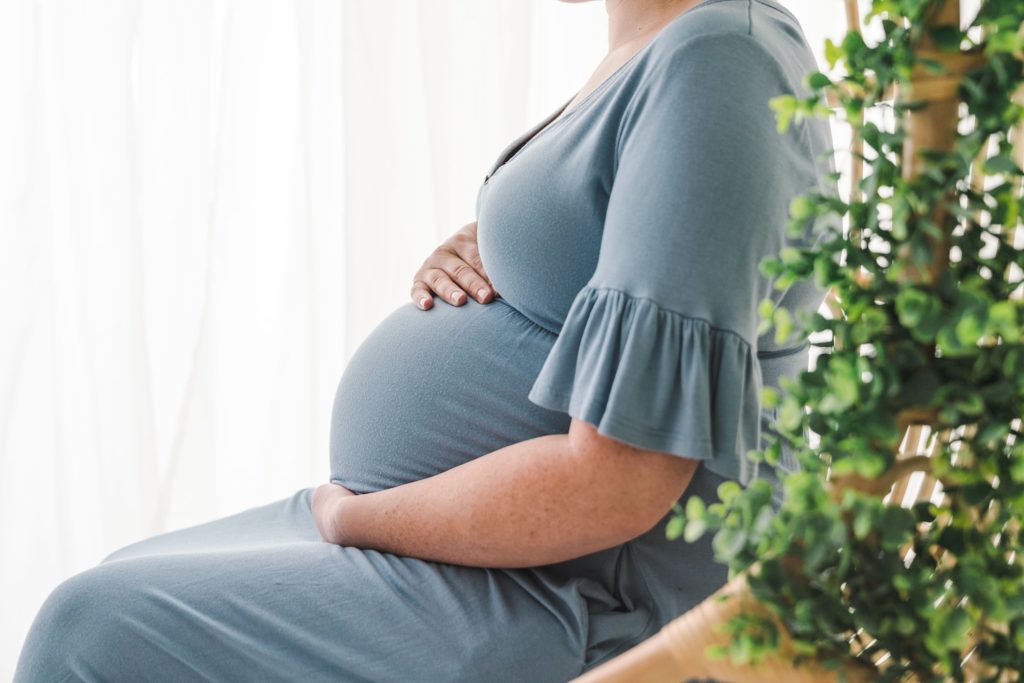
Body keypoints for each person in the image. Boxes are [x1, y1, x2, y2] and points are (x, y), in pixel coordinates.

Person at [14, 0, 837, 680]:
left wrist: (359, 519)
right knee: (112, 583)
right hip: (491, 559)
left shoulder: (720, 58)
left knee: (92, 630)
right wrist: (506, 250)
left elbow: (620, 483)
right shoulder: (659, 46)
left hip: (577, 601)